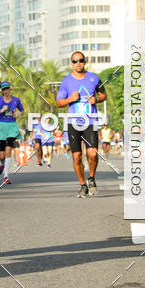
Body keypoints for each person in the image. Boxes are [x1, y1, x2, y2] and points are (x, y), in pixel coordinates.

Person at [56, 51, 107, 197]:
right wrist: (70, 99)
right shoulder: (66, 81)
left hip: (91, 121)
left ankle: (91, 178)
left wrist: (96, 100)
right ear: (71, 63)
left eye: (81, 60)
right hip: (73, 123)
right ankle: (82, 185)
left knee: (92, 153)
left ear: (85, 62)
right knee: (77, 156)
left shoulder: (94, 78)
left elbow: (104, 95)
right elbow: (58, 102)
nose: (78, 63)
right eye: (75, 61)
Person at [0, 81, 24, 184]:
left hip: (12, 127)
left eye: (7, 88)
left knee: (9, 150)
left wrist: (18, 114)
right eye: (4, 89)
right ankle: (2, 164)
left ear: (10, 89)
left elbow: (22, 111)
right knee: (1, 155)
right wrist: (1, 111)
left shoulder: (16, 100)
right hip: (1, 127)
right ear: (1, 91)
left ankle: (6, 176)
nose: (6, 91)